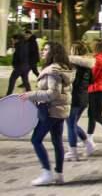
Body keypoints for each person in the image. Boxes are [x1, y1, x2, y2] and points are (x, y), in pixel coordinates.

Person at [20, 42, 73, 186]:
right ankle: (59, 174)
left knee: (36, 140)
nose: (43, 51)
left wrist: (31, 95)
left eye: (46, 49)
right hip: (59, 111)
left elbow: (52, 93)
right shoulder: (63, 69)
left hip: (50, 110)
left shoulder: (53, 71)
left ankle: (47, 173)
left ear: (54, 52)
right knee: (57, 142)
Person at [65, 41, 96, 161]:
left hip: (74, 98)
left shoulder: (73, 65)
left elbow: (70, 82)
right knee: (72, 124)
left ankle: (72, 152)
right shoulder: (88, 66)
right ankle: (89, 145)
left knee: (71, 125)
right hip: (84, 98)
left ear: (74, 51)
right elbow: (91, 82)